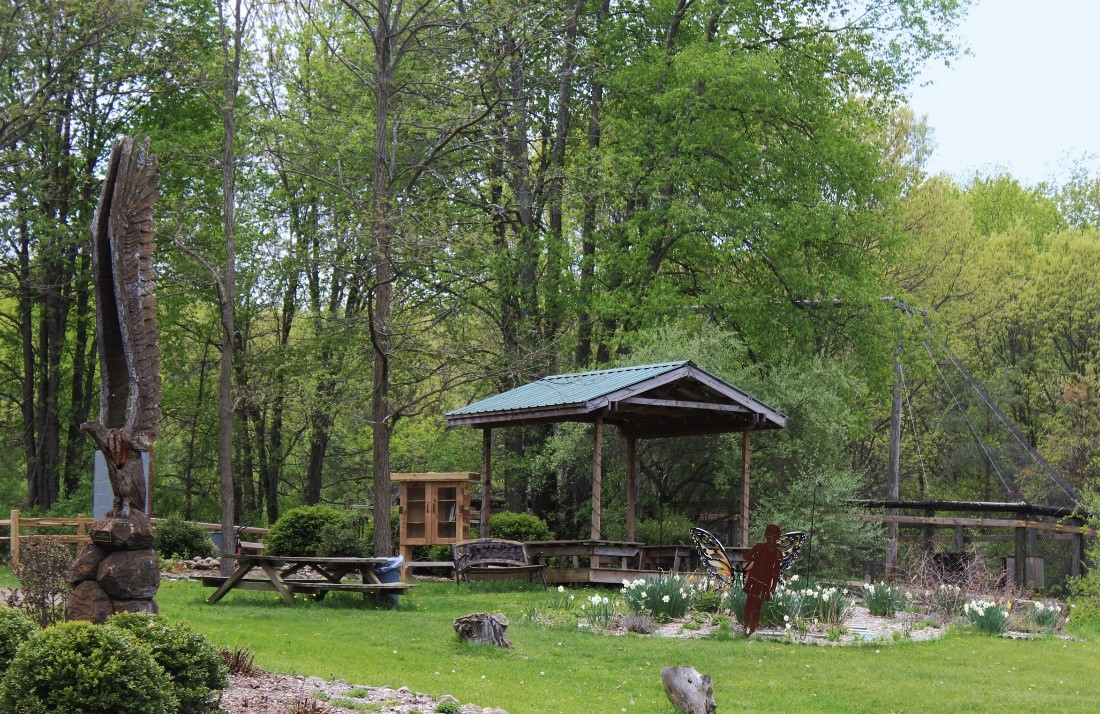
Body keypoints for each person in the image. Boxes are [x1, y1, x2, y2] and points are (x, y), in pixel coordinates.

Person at [741, 523, 783, 635]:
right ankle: (746, 627)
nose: (771, 538)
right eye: (770, 535)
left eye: (773, 535)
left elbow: (776, 572)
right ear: (766, 535)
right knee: (750, 604)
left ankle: (751, 629)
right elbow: (746, 557)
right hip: (756, 579)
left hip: (762, 581)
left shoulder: (777, 553)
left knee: (755, 606)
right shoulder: (761, 547)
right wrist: (754, 555)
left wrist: (773, 586)